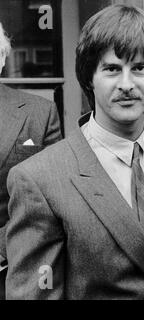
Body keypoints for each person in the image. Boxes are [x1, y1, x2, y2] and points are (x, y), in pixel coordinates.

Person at [5, 5, 144, 299]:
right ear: (89, 78)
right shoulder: (39, 179)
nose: (126, 84)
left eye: (139, 68)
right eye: (111, 69)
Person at [0, 21, 62, 299]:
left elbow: (54, 198)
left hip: (15, 273)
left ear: (2, 58)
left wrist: (2, 246)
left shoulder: (41, 113)